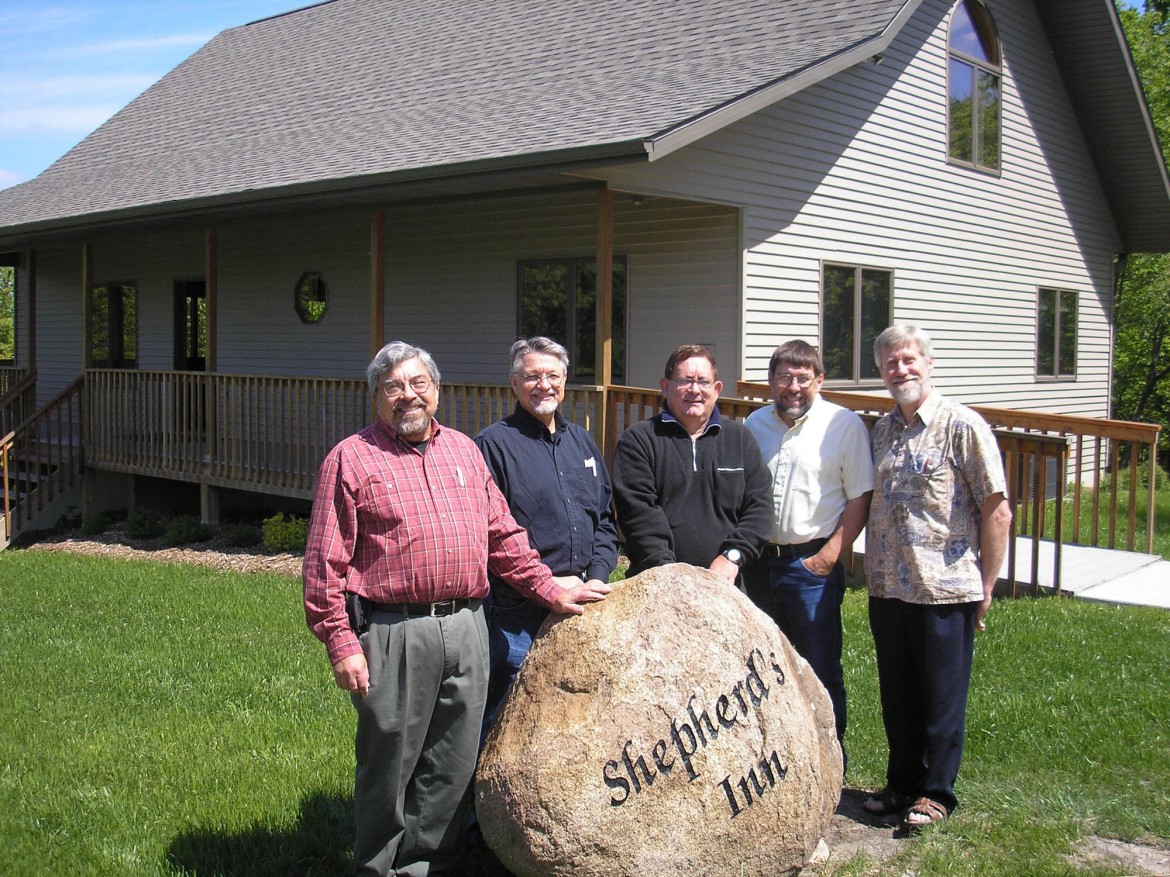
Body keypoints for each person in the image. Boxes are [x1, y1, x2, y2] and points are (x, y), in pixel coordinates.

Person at [303, 341, 610, 876]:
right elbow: (324, 564)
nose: (408, 396)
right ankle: (378, 865)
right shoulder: (351, 459)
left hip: (469, 625)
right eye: (394, 387)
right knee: (390, 760)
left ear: (436, 391)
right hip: (395, 631)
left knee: (454, 757)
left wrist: (551, 590)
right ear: (377, 398)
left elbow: (503, 538)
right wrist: (340, 642)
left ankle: (430, 863)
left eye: (418, 383)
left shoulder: (465, 452)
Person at [862, 324, 1012, 831]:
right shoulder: (882, 430)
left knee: (941, 699)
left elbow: (996, 509)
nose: (900, 370)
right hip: (887, 589)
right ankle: (902, 782)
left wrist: (987, 588)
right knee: (897, 695)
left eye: (908, 360)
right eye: (890, 363)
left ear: (928, 363)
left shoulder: (962, 426)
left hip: (944, 589)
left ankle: (936, 793)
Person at [474, 337, 619, 734]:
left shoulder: (581, 442)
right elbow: (489, 535)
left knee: (567, 723)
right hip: (517, 613)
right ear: (514, 383)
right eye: (532, 376)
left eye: (552, 375)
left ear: (565, 379)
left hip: (584, 604)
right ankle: (474, 795)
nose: (544, 385)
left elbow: (605, 518)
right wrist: (547, 584)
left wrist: (598, 577)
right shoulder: (493, 446)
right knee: (502, 721)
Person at [743, 339, 873, 759]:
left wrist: (831, 554)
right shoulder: (753, 425)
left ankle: (830, 763)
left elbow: (859, 496)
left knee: (819, 669)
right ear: (771, 382)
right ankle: (778, 762)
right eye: (784, 378)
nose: (793, 387)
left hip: (810, 567)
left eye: (803, 378)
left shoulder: (844, 425)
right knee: (763, 668)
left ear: (819, 380)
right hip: (759, 566)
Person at [612, 343, 772, 584]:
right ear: (665, 387)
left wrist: (732, 557)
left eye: (703, 382)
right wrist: (669, 571)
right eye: (685, 380)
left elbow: (760, 507)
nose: (695, 390)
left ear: (717, 389)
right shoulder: (639, 440)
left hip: (728, 584)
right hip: (659, 582)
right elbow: (638, 513)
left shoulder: (740, 439)